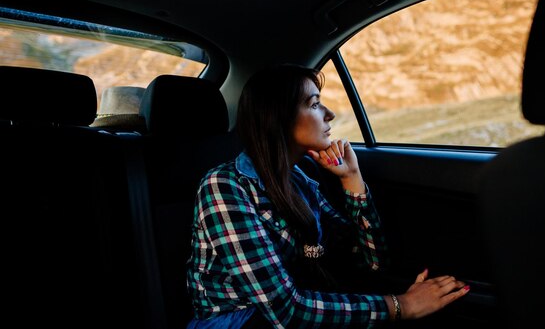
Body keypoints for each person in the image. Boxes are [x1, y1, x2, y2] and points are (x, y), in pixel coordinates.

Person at [186, 63, 469, 328]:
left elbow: (372, 263)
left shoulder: (299, 180)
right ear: (278, 118)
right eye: (315, 103)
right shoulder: (224, 186)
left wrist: (351, 178)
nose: (330, 114)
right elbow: (285, 311)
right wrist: (402, 305)